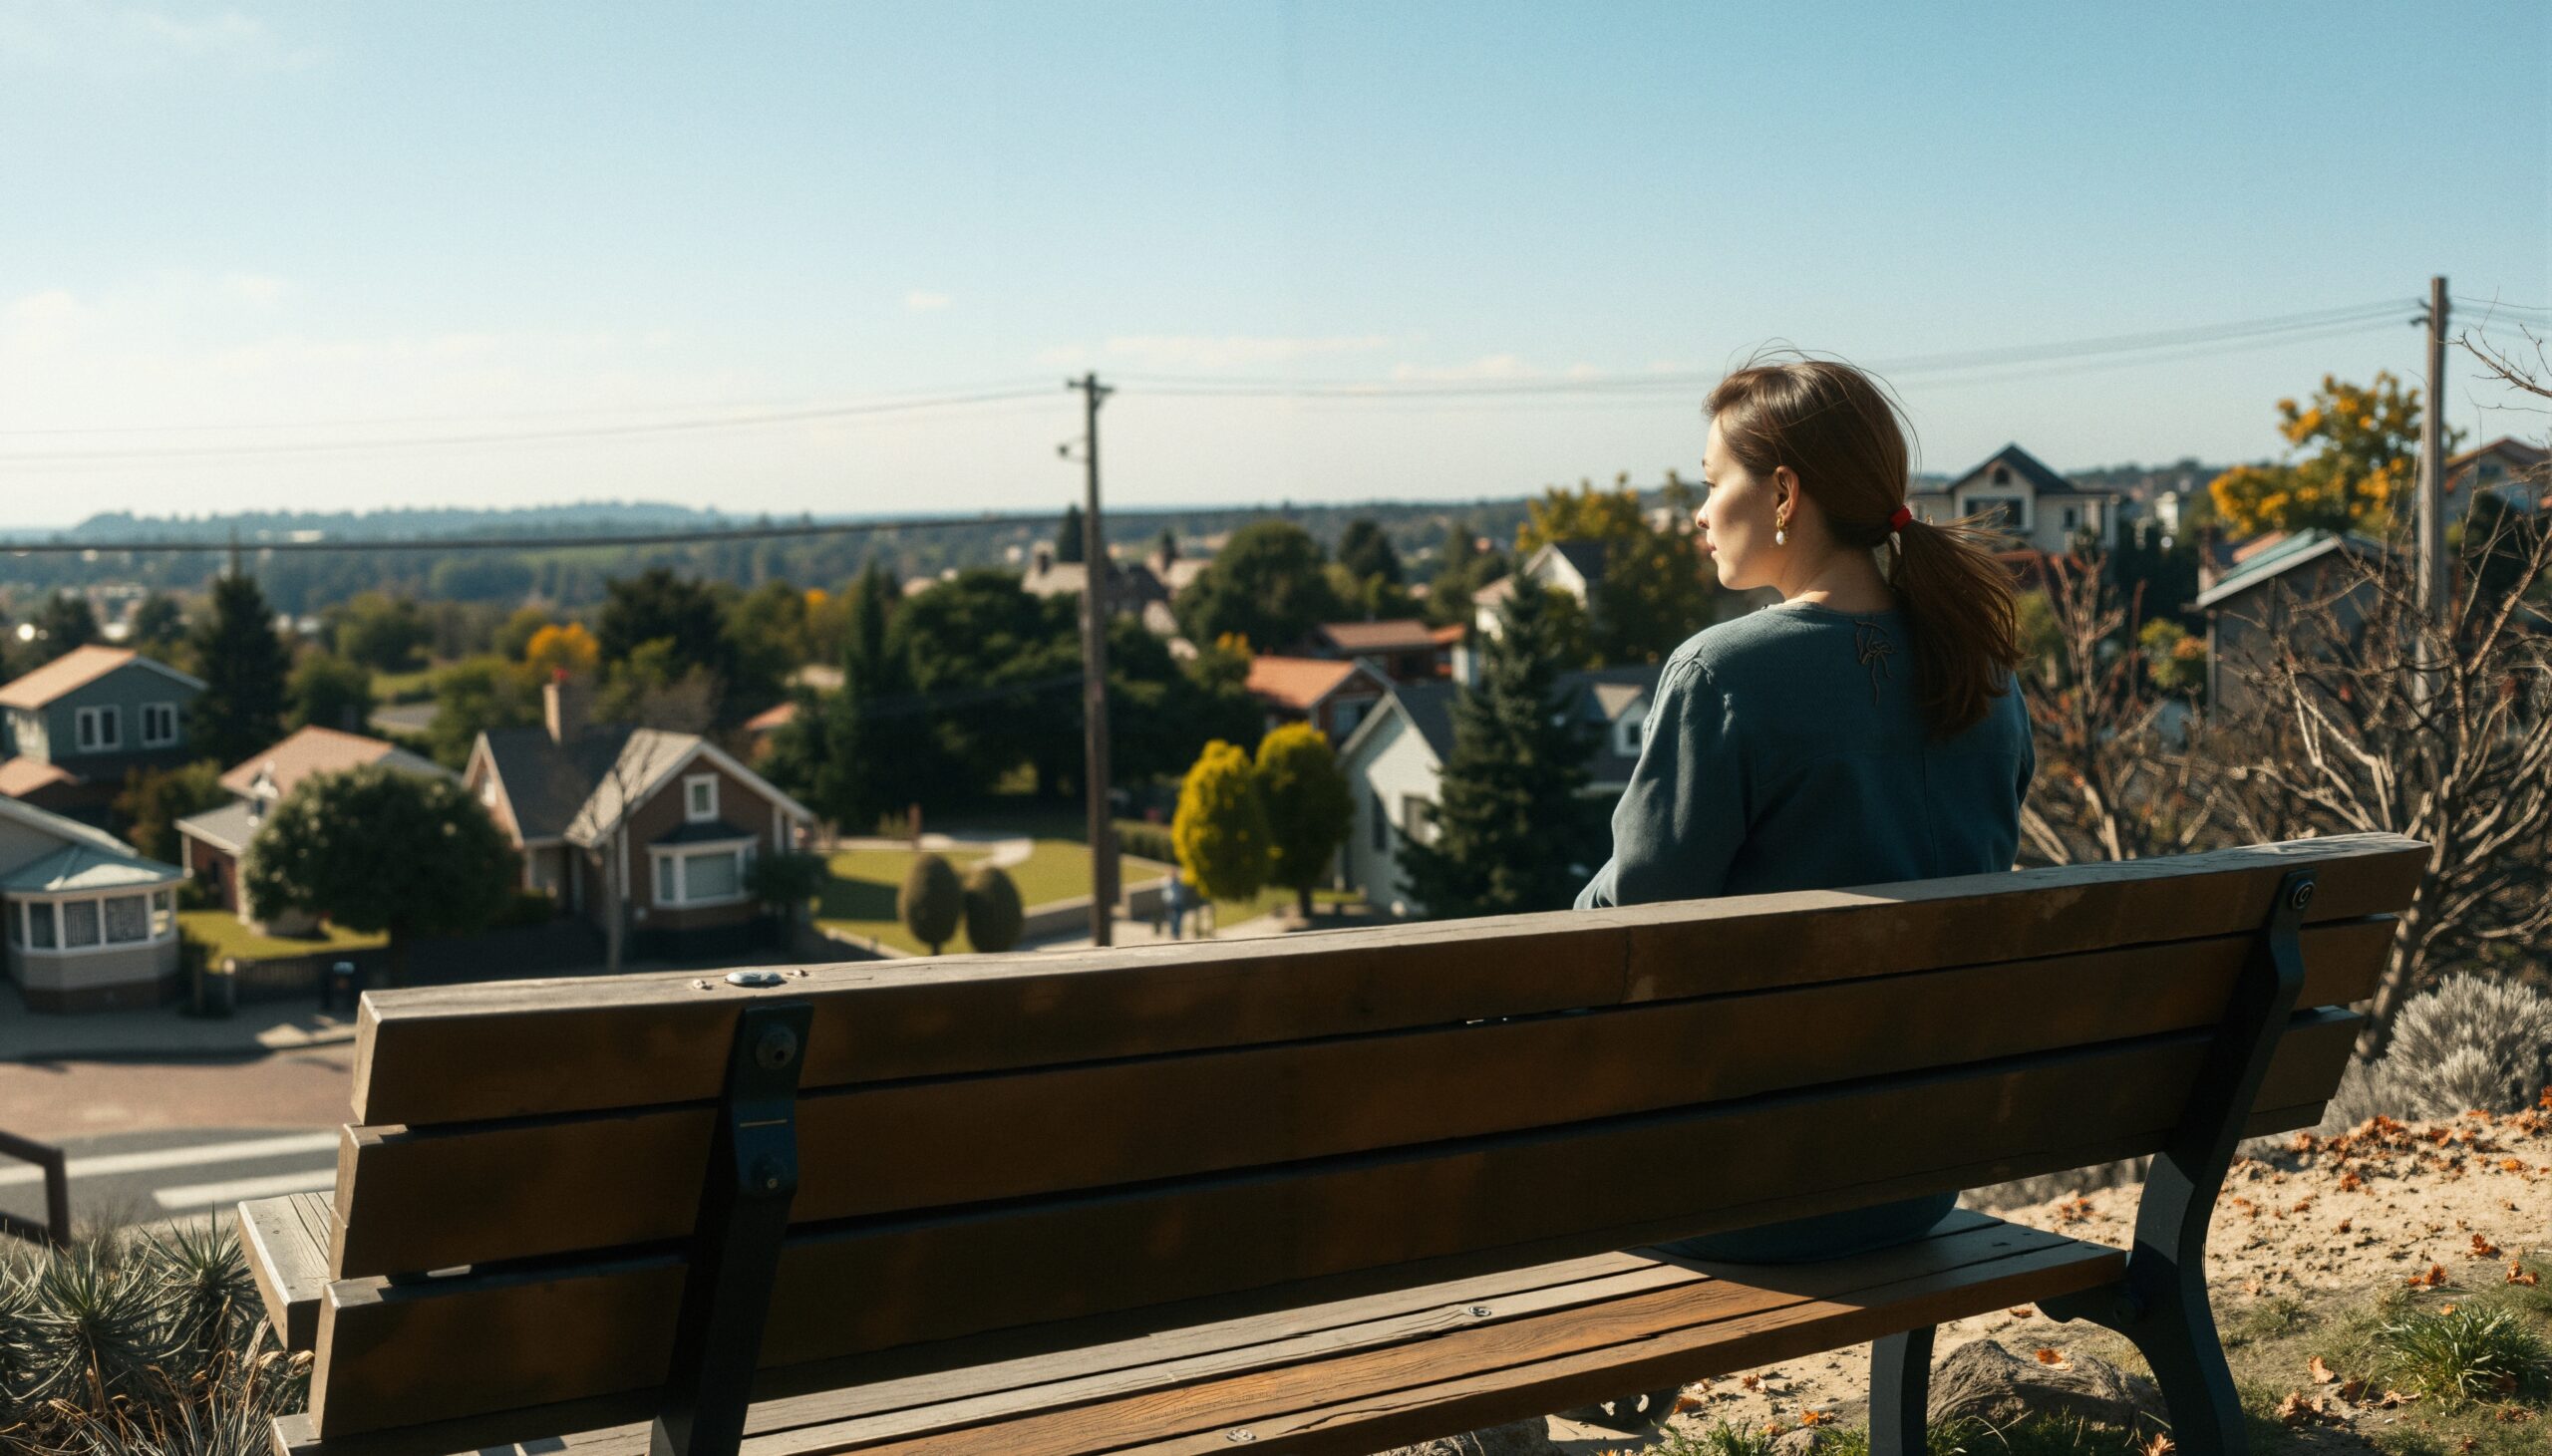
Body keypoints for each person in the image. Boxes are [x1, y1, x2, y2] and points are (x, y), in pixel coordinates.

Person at [1563, 353, 2033, 1433]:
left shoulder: (1722, 677)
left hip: (1750, 1189)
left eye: (1707, 478)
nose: (1694, 511)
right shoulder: (1984, 673)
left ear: (1781, 494)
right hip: (1915, 1178)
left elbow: (1628, 932)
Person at [1162, 866, 1189, 941]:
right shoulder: (1167, 882)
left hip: (1179, 903)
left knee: (1178, 920)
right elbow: (1165, 893)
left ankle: (1177, 935)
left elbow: (1182, 891)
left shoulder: (1179, 882)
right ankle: (1174, 934)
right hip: (1170, 904)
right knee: (1172, 919)